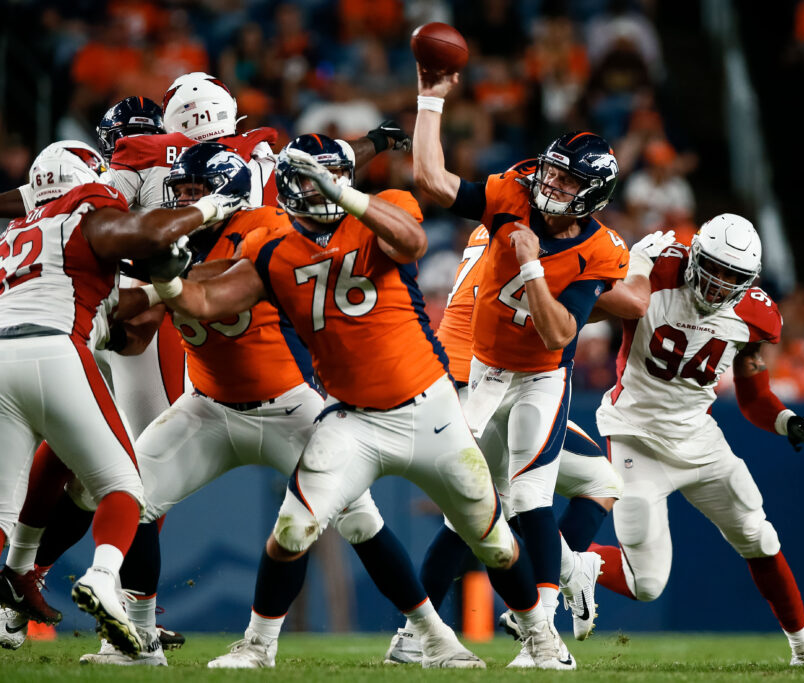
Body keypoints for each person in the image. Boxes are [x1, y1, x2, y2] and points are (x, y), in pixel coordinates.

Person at [152, 134, 575, 670]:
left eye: (328, 177)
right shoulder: (273, 248)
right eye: (308, 179)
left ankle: (542, 639)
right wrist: (167, 279)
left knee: (491, 540)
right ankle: (257, 647)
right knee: (291, 530)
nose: (318, 189)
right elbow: (208, 300)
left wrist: (348, 197)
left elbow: (411, 242)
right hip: (353, 421)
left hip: (430, 411)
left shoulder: (386, 207)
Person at [413, 65, 630, 665]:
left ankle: (543, 633)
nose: (552, 183)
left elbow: (561, 333)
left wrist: (532, 267)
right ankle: (420, 633)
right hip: (481, 372)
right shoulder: (510, 193)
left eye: (567, 179)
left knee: (530, 498)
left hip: (540, 378)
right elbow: (432, 179)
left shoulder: (601, 250)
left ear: (593, 194)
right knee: (467, 503)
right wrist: (430, 100)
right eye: (553, 170)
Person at [0, 140, 246, 656]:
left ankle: (16, 582)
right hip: (53, 350)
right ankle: (102, 576)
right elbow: (149, 231)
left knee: (3, 512)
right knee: (124, 487)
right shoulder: (84, 214)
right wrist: (210, 206)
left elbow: (121, 321)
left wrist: (162, 285)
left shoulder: (18, 233)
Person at [589, 214, 804, 666]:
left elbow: (754, 397)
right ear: (694, 254)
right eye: (713, 268)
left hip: (699, 438)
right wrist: (632, 269)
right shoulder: (655, 271)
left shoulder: (755, 314)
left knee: (759, 535)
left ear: (749, 280)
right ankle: (556, 559)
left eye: (733, 277)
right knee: (646, 583)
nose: (718, 285)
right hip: (635, 433)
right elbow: (585, 311)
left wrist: (790, 421)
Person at [384, 223, 626, 665]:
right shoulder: (534, 241)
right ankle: (559, 593)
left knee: (477, 515)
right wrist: (597, 284)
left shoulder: (491, 227)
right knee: (546, 494)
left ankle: (415, 635)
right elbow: (629, 303)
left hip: (460, 381)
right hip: (484, 382)